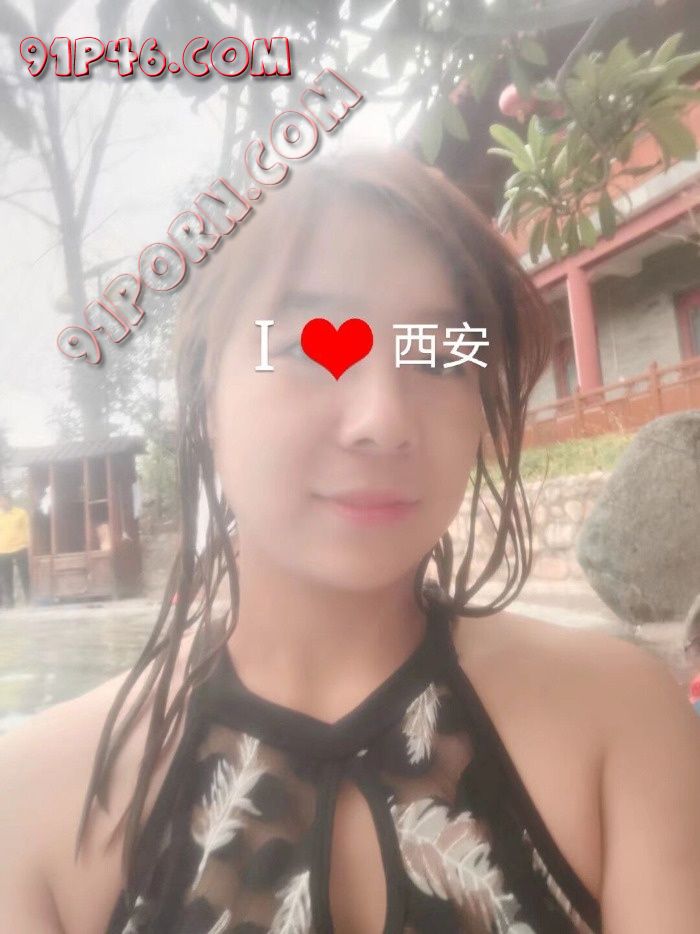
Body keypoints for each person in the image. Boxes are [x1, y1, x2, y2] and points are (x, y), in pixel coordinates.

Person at [1, 149, 700, 934]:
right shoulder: (32, 805)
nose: (383, 420)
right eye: (311, 346)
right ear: (203, 395)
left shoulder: (620, 722)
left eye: (441, 356)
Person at [0, 491, 31, 608]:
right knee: (6, 577)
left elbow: (28, 529)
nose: (2, 503)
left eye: (3, 500)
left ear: (9, 500)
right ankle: (9, 602)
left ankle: (29, 599)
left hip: (20, 547)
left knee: (25, 574)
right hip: (3, 550)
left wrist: (29, 544)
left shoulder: (21, 513)